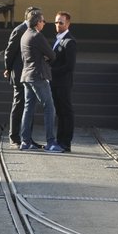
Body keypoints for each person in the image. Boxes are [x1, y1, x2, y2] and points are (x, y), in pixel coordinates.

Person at [18, 8, 64, 152]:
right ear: (38, 22)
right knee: (49, 107)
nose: (44, 24)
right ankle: (50, 141)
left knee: (28, 108)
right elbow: (52, 55)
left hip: (26, 75)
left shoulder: (25, 34)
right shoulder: (37, 36)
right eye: (43, 21)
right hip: (38, 76)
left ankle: (25, 141)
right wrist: (44, 57)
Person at [50, 11, 77, 151]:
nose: (58, 25)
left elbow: (69, 66)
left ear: (68, 24)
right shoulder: (57, 39)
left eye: (61, 22)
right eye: (56, 22)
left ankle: (66, 142)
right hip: (55, 82)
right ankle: (60, 140)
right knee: (60, 112)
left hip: (63, 83)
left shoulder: (70, 41)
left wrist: (51, 71)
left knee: (66, 111)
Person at [3, 14, 31, 144]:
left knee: (27, 105)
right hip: (19, 73)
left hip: (29, 73)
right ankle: (14, 136)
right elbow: (10, 52)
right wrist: (8, 69)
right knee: (19, 104)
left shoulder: (32, 30)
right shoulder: (20, 30)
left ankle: (25, 136)